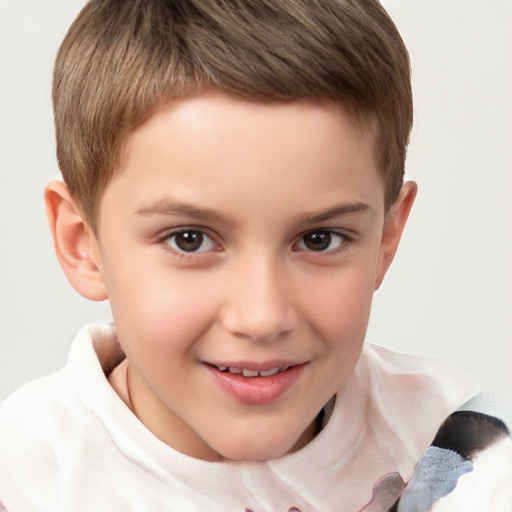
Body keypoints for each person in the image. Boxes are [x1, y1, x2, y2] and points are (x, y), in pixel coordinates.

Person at [0, 1, 509, 510]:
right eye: (189, 240)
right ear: (81, 242)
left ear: (385, 238)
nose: (262, 317)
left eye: (319, 239)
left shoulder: (458, 449)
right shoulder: (21, 479)